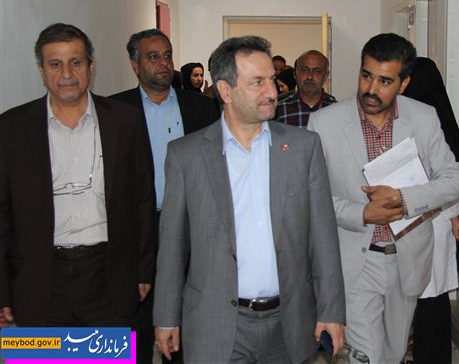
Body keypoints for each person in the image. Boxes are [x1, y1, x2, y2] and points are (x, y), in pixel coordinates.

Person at [153, 35, 346, 363]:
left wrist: (331, 310)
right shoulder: (187, 156)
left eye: (271, 79)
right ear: (225, 91)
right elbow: (173, 244)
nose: (272, 92)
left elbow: (323, 237)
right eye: (257, 82)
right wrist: (166, 316)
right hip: (215, 322)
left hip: (289, 321)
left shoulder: (303, 148)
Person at [307, 33, 459, 364]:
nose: (371, 89)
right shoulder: (324, 122)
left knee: (393, 353)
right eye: (366, 76)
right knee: (367, 355)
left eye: (385, 81)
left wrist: (404, 199)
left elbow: (453, 180)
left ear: (403, 83)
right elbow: (313, 197)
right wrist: (363, 214)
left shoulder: (423, 118)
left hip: (407, 259)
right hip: (356, 262)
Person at [0, 23, 155, 328]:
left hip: (109, 278)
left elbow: (143, 200)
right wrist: (2, 291)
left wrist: (144, 271)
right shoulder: (11, 128)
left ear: (90, 65)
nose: (66, 74)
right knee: (38, 354)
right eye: (55, 64)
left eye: (75, 62)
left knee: (107, 354)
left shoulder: (126, 121)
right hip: (36, 282)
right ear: (41, 69)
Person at [111, 28, 219, 364]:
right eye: (153, 56)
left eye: (167, 55)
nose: (163, 63)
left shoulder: (202, 108)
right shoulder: (115, 110)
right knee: (135, 325)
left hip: (189, 228)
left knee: (185, 321)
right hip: (137, 231)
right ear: (135, 64)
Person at [403, 57, 459, 364]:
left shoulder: (421, 120)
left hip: (424, 219)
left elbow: (450, 174)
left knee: (425, 296)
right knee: (431, 297)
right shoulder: (441, 118)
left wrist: (455, 212)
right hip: (436, 217)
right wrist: (457, 212)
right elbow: (457, 172)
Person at [275, 50, 337, 127]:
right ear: (295, 74)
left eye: (317, 71)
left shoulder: (336, 110)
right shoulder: (279, 110)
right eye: (304, 70)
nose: (310, 76)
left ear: (325, 76)